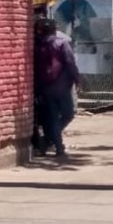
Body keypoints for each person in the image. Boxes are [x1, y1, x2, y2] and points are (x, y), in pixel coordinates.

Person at [33, 18, 80, 158]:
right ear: (54, 30)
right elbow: (70, 62)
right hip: (61, 86)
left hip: (43, 87)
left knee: (52, 117)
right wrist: (77, 79)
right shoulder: (61, 43)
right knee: (68, 114)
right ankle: (50, 140)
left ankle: (55, 144)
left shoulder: (36, 45)